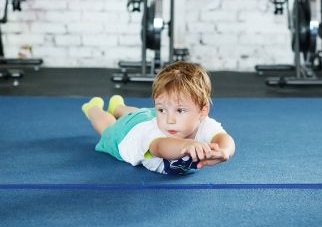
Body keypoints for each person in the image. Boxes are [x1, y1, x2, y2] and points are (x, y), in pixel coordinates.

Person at [81, 61, 235, 175]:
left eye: (180, 110)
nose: (170, 119)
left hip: (148, 116)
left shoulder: (203, 124)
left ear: (202, 111)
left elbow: (224, 138)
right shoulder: (155, 135)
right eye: (161, 108)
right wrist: (185, 146)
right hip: (127, 133)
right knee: (107, 127)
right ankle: (93, 109)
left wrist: (223, 151)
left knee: (141, 113)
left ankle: (117, 107)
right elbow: (161, 147)